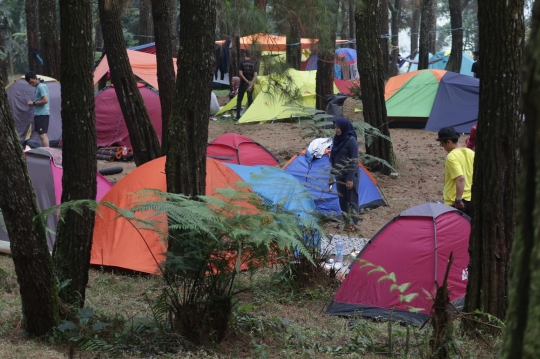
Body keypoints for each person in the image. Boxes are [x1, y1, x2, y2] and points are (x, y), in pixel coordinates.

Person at [329, 117, 359, 231]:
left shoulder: (351, 140)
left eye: (338, 127)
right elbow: (333, 158)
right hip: (339, 174)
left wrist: (351, 178)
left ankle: (353, 223)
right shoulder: (336, 139)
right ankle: (345, 221)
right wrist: (331, 175)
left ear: (344, 127)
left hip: (350, 175)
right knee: (342, 199)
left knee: (352, 199)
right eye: (335, 127)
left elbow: (354, 160)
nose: (336, 130)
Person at [437, 127, 475, 216]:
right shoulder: (471, 153)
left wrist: (458, 199)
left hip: (457, 202)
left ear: (449, 142)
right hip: (471, 199)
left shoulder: (452, 156)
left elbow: (460, 178)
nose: (442, 147)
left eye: (442, 144)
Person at [25, 71, 50, 147]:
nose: (32, 85)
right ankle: (46, 152)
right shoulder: (39, 86)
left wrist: (33, 103)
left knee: (43, 135)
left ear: (35, 78)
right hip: (39, 114)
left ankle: (47, 154)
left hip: (42, 114)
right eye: (30, 83)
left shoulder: (40, 87)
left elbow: (45, 100)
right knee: (41, 135)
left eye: (32, 82)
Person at [236, 50, 257, 120]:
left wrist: (247, 82)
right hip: (251, 83)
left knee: (239, 100)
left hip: (243, 84)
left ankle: (238, 116)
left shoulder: (241, 63)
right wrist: (250, 85)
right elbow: (255, 75)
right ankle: (250, 116)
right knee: (250, 99)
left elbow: (240, 74)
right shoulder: (253, 63)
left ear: (245, 55)